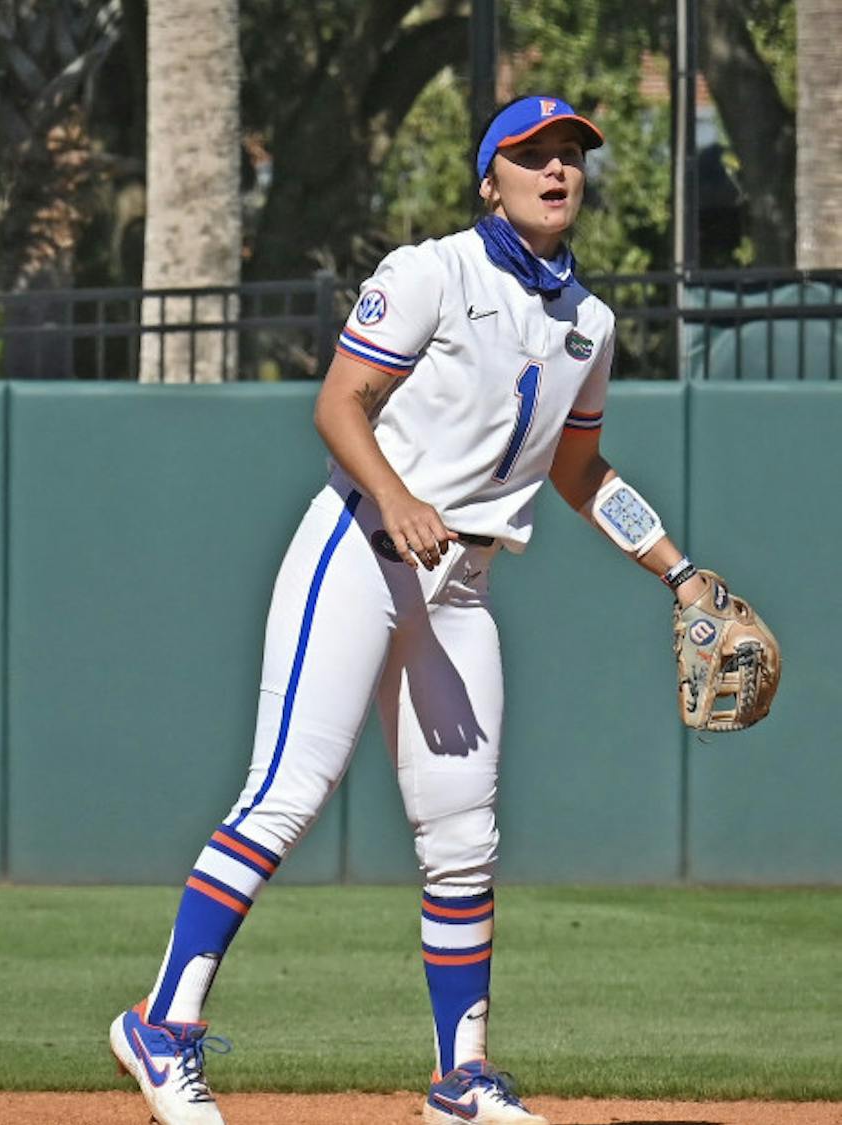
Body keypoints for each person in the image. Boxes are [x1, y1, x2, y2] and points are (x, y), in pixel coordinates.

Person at [110, 95, 717, 1125]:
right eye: (531, 156)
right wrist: (396, 497)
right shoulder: (430, 270)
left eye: (570, 155)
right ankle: (160, 1026)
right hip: (359, 551)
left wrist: (681, 570)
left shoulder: (591, 323)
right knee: (287, 792)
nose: (557, 170)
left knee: (463, 836)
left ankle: (460, 1078)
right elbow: (338, 404)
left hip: (464, 586)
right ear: (491, 179)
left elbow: (580, 472)